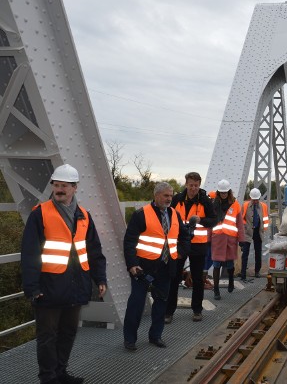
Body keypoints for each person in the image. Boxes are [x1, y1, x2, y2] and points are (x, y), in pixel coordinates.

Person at [21, 164, 107, 384]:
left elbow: (94, 251)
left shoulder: (84, 216)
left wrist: (100, 278)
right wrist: (32, 288)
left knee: (68, 332)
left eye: (64, 186)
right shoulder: (40, 213)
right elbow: (30, 253)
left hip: (76, 286)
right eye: (56, 185)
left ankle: (61, 373)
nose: (59, 189)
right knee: (47, 336)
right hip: (48, 288)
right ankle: (48, 378)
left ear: (74, 188)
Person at [122, 181, 190, 351]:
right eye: (166, 195)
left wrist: (180, 252)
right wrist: (132, 265)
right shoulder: (141, 215)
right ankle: (129, 339)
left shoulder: (175, 214)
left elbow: (184, 237)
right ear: (156, 195)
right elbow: (129, 241)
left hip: (166, 267)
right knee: (136, 304)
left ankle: (156, 336)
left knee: (161, 303)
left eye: (171, 195)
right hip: (143, 268)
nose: (169, 199)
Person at [165, 172, 215, 323]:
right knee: (174, 277)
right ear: (186, 184)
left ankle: (197, 310)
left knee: (198, 278)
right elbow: (166, 215)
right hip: (179, 243)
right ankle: (169, 311)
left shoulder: (205, 201)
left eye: (196, 185)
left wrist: (201, 220)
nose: (193, 188)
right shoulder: (177, 199)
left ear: (199, 185)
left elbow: (214, 220)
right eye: (191, 185)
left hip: (198, 244)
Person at [210, 179, 245, 300]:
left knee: (230, 264)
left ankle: (231, 280)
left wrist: (242, 240)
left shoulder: (235, 205)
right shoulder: (213, 204)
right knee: (216, 264)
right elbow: (210, 222)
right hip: (217, 238)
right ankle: (216, 290)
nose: (223, 194)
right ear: (218, 192)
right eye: (221, 192)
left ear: (229, 192)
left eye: (225, 192)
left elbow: (240, 224)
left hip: (230, 239)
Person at [240, 188, 269, 280]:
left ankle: (257, 271)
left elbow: (265, 219)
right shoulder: (245, 206)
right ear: (250, 198)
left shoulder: (263, 206)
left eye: (257, 199)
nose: (255, 201)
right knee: (245, 253)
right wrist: (245, 226)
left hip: (258, 232)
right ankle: (243, 273)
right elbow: (241, 219)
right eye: (254, 199)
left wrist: (263, 229)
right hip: (247, 232)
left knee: (258, 253)